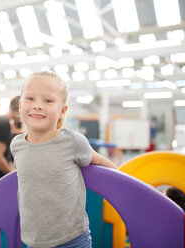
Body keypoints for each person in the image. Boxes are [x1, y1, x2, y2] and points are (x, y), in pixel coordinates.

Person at [10, 71, 117, 248]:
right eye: (30, 99)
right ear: (20, 106)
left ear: (62, 110)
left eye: (48, 100)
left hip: (73, 240)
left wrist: (129, 186)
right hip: (33, 241)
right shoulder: (17, 145)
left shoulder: (73, 141)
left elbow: (100, 162)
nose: (37, 105)